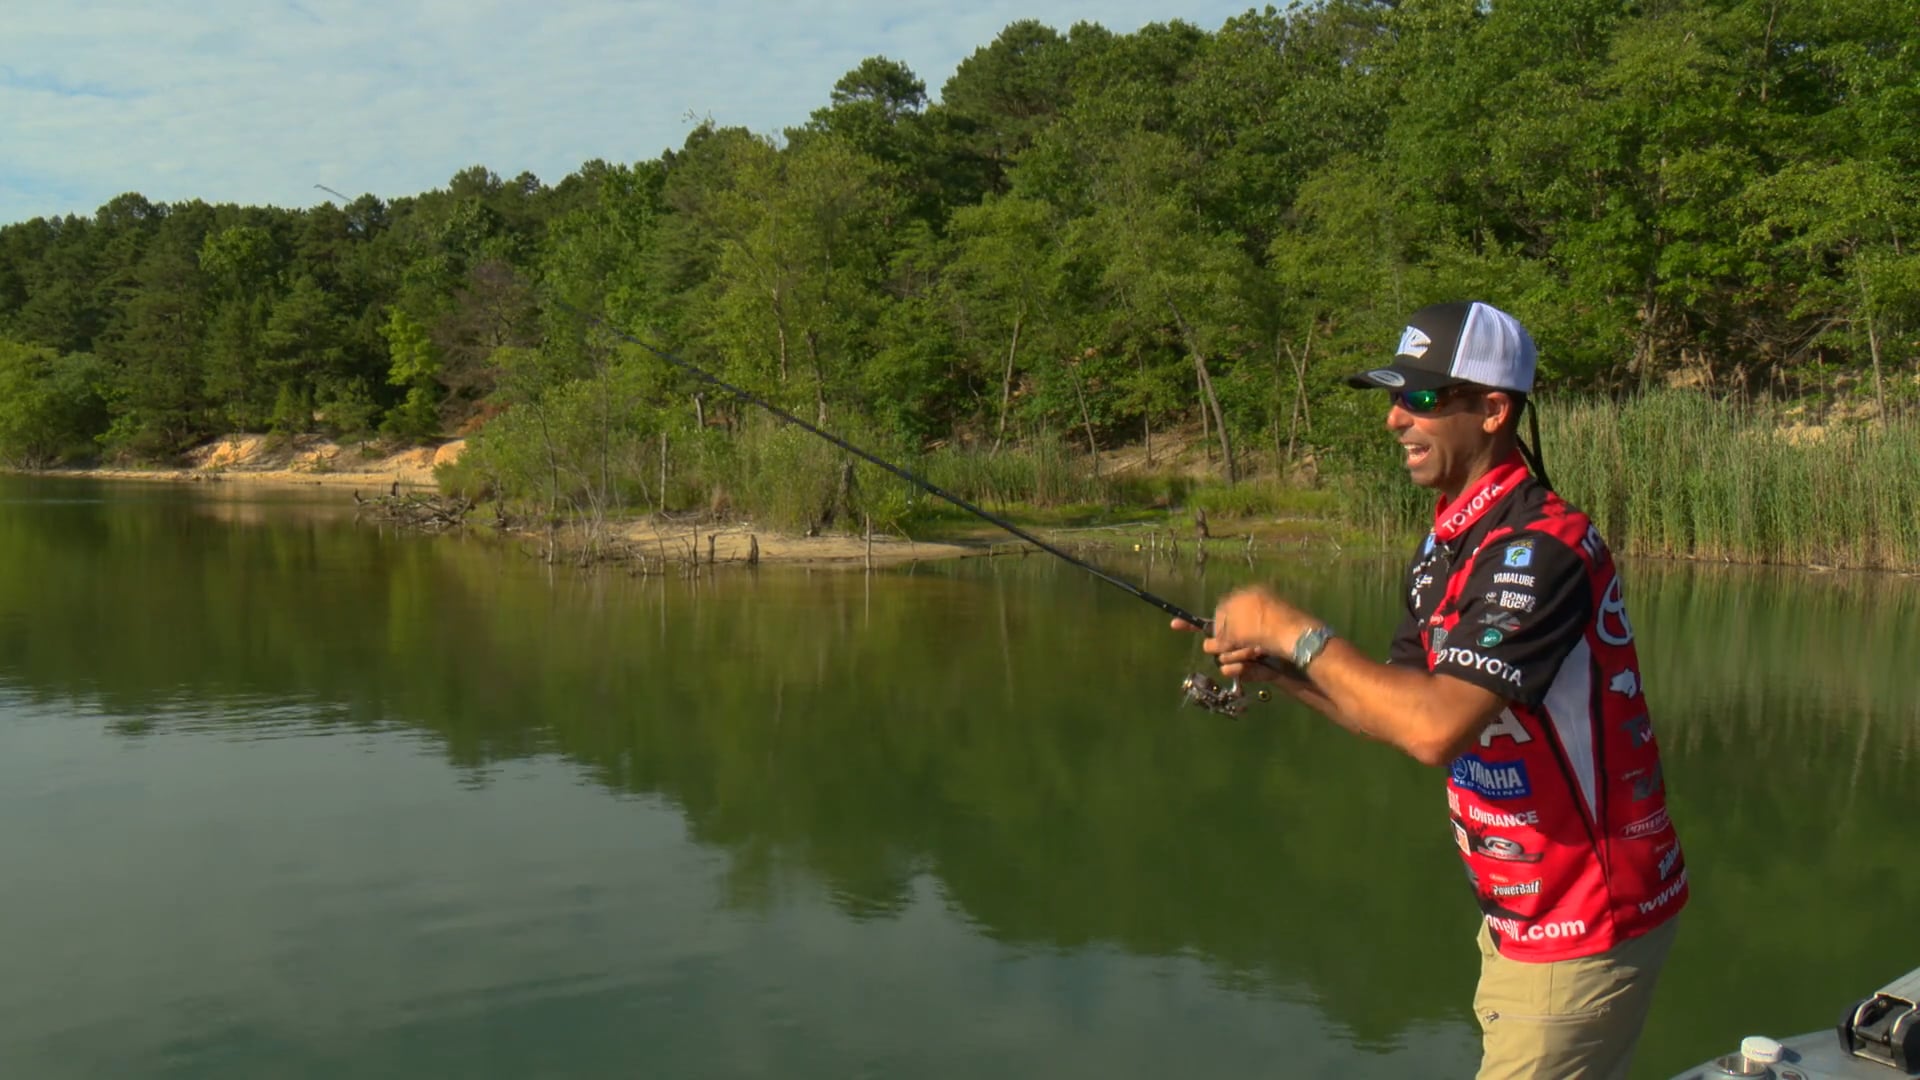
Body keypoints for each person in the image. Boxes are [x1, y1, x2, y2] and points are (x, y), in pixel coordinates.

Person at [1175, 301, 1686, 1080]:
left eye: (1419, 399)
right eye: (1394, 398)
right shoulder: (1447, 545)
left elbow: (1434, 728)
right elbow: (1399, 708)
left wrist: (1295, 629)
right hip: (1522, 913)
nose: (1394, 420)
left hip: (1584, 918)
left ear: (1493, 410)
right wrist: (1283, 668)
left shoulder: (1540, 550)